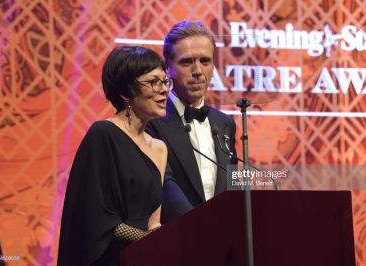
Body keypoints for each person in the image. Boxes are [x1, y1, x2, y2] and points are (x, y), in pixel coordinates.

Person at [58, 46, 171, 265]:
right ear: (126, 91)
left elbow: (154, 221)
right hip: (109, 257)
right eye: (153, 82)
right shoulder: (102, 134)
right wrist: (147, 238)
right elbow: (96, 218)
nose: (164, 90)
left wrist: (162, 240)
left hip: (143, 257)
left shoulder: (159, 148)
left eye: (165, 81)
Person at [146, 21, 237, 223]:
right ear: (167, 68)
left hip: (224, 239)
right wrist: (203, 229)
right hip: (176, 239)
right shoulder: (151, 121)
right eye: (187, 62)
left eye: (205, 61)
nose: (197, 70)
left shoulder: (225, 124)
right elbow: (164, 186)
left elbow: (233, 185)